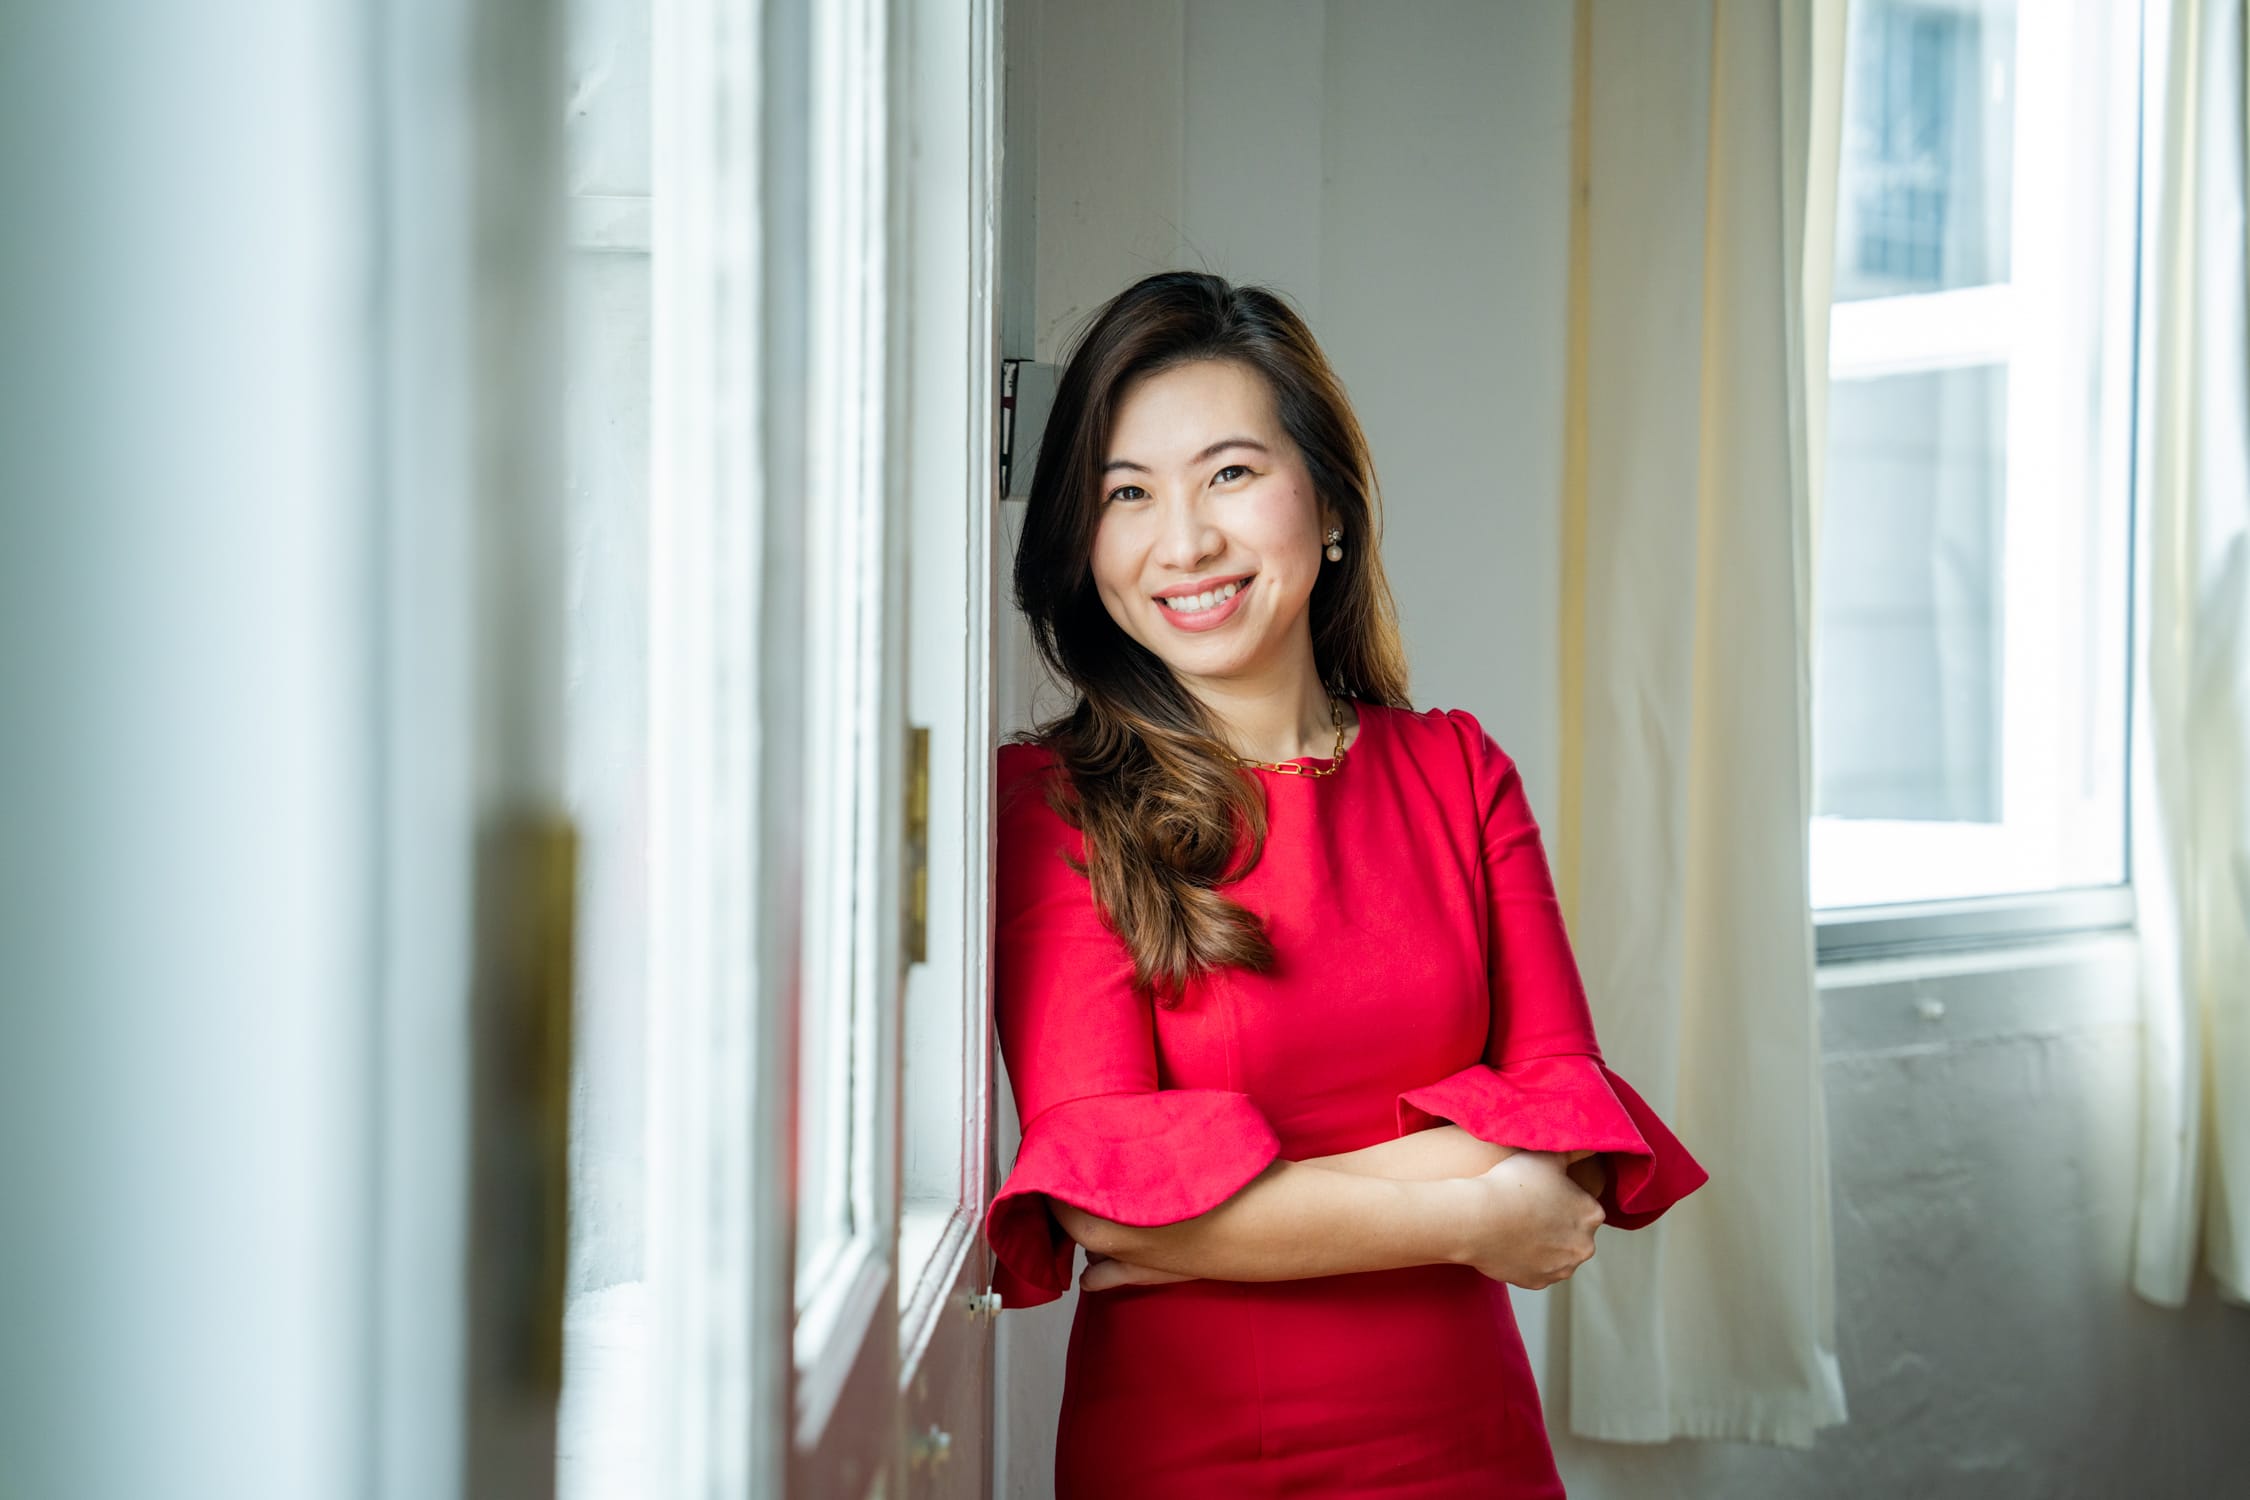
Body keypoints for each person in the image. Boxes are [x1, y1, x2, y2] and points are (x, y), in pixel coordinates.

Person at [985, 269, 1709, 1498]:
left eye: (1229, 473)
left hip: (1469, 1447)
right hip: (1193, 1459)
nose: (1185, 541)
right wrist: (1472, 1209)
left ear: (1327, 505)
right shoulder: (1054, 806)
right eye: (1126, 492)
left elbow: (1568, 1137)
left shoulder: (1458, 772)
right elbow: (1107, 1203)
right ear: (1083, 539)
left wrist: (1224, 1222)